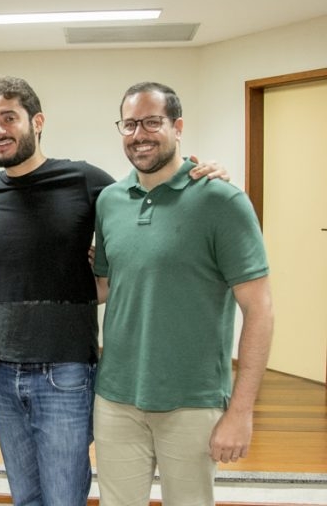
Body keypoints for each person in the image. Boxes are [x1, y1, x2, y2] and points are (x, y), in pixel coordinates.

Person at [0, 77, 226, 506]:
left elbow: (146, 192)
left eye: (9, 118)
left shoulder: (85, 180)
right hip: (3, 371)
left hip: (66, 372)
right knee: (24, 496)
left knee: (64, 496)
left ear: (37, 121)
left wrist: (203, 171)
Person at [92, 82, 274, 505]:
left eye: (152, 122)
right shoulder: (110, 201)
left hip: (192, 400)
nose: (140, 134)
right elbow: (106, 285)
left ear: (177, 126)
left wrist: (241, 412)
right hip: (116, 396)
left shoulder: (221, 201)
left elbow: (260, 309)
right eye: (130, 124)